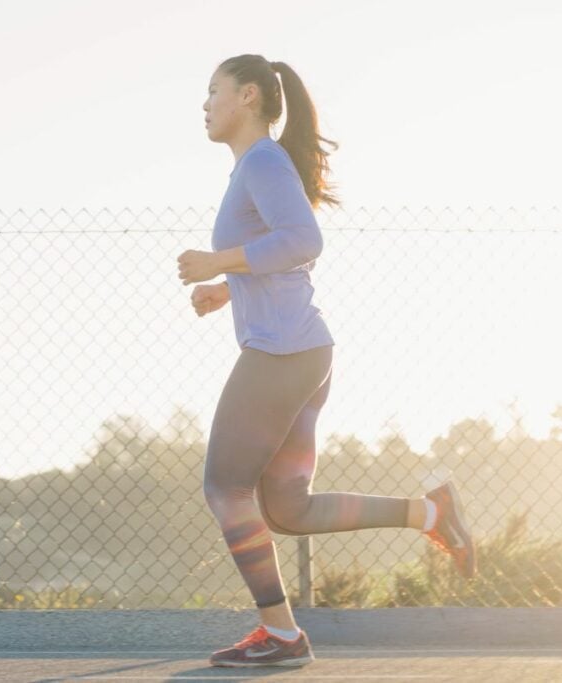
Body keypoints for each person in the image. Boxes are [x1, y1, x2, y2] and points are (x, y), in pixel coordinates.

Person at [177, 54, 477, 669]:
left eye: (214, 91)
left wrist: (218, 262)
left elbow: (304, 241)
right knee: (287, 508)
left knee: (225, 487)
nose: (205, 104)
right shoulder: (256, 167)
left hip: (283, 354)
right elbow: (287, 255)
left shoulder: (261, 160)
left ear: (250, 96)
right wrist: (228, 287)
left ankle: (282, 636)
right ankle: (432, 512)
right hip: (304, 352)